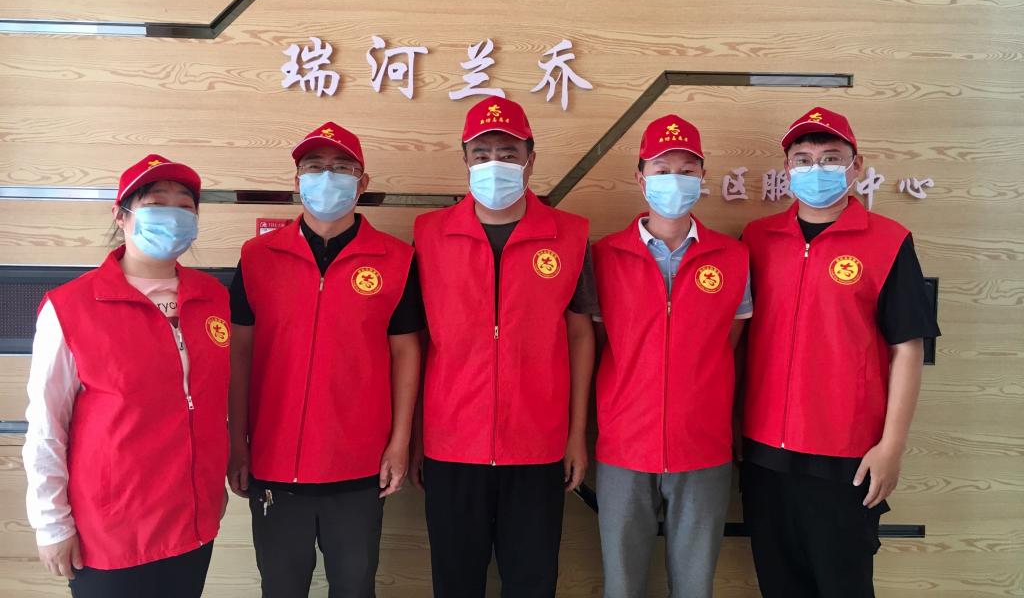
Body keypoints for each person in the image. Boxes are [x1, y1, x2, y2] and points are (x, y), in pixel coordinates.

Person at [739, 107, 940, 598]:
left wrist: (891, 447)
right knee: (778, 585)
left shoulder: (889, 242)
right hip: (763, 454)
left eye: (831, 158)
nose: (817, 169)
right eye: (803, 159)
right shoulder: (757, 239)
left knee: (842, 585)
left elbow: (908, 349)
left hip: (846, 457)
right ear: (786, 169)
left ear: (856, 165)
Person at [410, 96, 597, 598]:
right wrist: (417, 436)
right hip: (451, 444)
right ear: (465, 159)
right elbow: (418, 342)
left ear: (531, 159)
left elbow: (581, 336)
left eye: (509, 153)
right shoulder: (429, 234)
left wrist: (576, 435)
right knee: (455, 582)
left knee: (532, 582)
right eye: (482, 153)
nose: (495, 163)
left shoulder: (569, 234)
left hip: (538, 444)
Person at [227, 121, 422, 598]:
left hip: (358, 465)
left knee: (355, 587)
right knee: (280, 587)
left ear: (363, 182)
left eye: (342, 168)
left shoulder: (397, 260)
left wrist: (400, 443)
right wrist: (236, 442)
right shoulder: (257, 257)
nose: (327, 177)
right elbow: (239, 353)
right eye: (314, 167)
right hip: (273, 463)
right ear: (297, 181)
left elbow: (406, 352)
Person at [23, 154, 230, 597]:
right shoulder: (70, 308)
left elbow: (208, 405)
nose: (173, 215)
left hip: (192, 523)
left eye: (185, 206)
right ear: (121, 215)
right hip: (112, 533)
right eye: (156, 203)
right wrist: (51, 523)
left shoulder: (212, 297)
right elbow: (45, 426)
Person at [592, 114, 752, 598]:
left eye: (686, 170)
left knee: (694, 587)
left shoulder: (733, 258)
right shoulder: (605, 256)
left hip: (702, 447)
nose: (674, 180)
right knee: (622, 586)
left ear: (703, 177)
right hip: (623, 447)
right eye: (662, 170)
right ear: (641, 177)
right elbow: (599, 346)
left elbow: (728, 342)